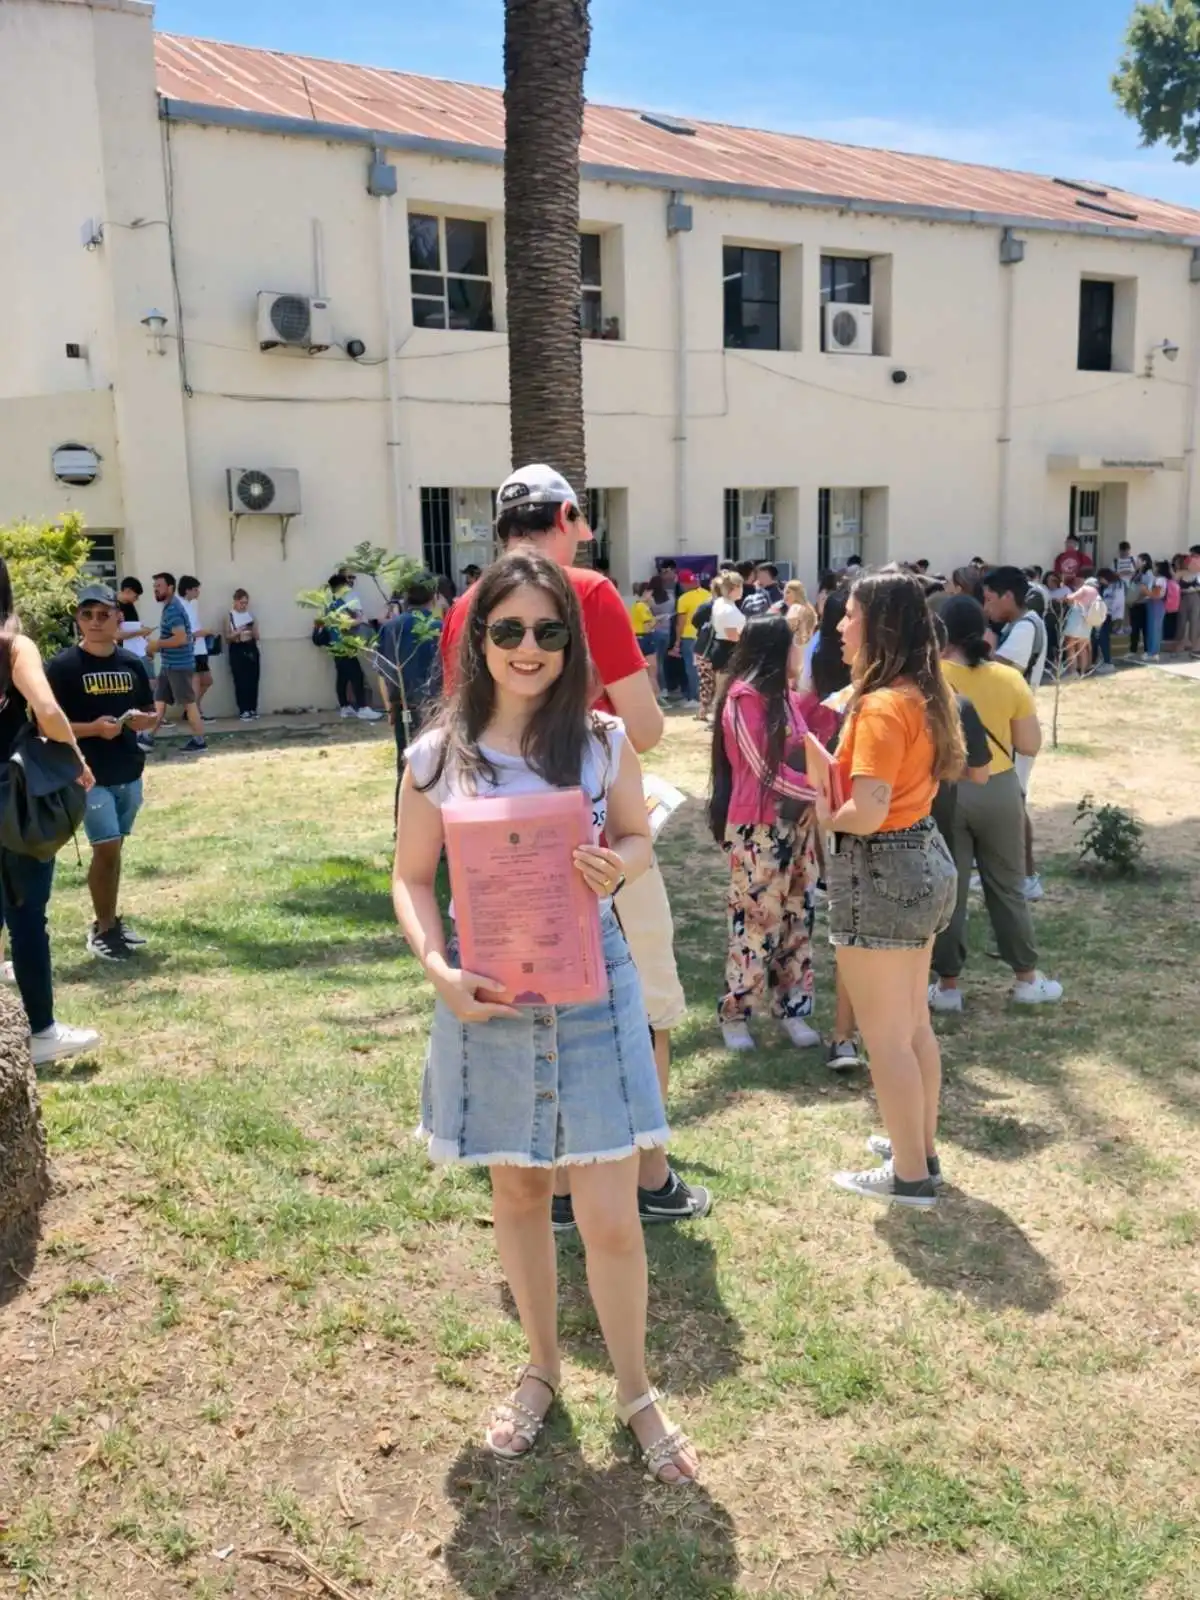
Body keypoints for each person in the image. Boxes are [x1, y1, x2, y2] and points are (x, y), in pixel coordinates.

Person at [395, 550, 698, 1484]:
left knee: (610, 1214)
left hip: (592, 986)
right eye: (509, 629)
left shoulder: (602, 741)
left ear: (571, 642)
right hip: (487, 997)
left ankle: (636, 1392)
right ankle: (541, 1370)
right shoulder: (437, 756)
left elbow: (638, 836)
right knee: (520, 1195)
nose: (528, 647)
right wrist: (440, 969)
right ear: (478, 639)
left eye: (549, 630)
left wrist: (621, 865)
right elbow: (411, 878)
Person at [440, 465, 707, 1229]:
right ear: (566, 518)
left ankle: (552, 1183)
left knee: (531, 1008)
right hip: (592, 844)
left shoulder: (467, 606)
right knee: (642, 1004)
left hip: (498, 851)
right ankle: (648, 1177)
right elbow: (644, 728)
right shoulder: (587, 592)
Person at [816, 571, 961, 1208]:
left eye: (850, 614)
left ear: (880, 626)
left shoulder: (879, 705)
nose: (840, 625)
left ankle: (908, 1176)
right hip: (921, 858)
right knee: (913, 1027)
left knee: (885, 1036)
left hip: (881, 869)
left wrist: (824, 813)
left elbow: (868, 810)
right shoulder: (921, 693)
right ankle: (917, 1151)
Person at [930, 597, 1063, 1011]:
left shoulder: (929, 678)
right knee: (1007, 886)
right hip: (1000, 786)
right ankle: (1026, 978)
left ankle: (947, 985)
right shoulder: (1008, 678)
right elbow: (1030, 743)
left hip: (945, 787)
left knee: (948, 889)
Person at [0, 558, 100, 1065]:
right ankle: (42, 1031)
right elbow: (47, 709)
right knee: (26, 916)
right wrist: (77, 759)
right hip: (12, 798)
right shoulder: (13, 645)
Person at [710, 617, 821, 1051]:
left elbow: (806, 751)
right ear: (777, 649)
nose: (801, 651)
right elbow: (763, 770)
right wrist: (819, 794)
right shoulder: (743, 700)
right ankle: (736, 1013)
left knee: (797, 917)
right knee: (755, 921)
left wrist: (811, 800)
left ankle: (793, 1009)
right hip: (757, 828)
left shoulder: (786, 698)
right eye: (795, 643)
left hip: (796, 825)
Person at [46, 584, 158, 962]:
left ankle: (108, 922)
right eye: (86, 615)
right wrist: (93, 729)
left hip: (128, 769)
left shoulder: (132, 664)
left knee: (114, 850)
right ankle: (104, 930)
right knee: (106, 848)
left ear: (118, 618)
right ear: (78, 620)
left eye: (103, 614)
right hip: (85, 773)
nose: (94, 622)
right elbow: (46, 726)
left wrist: (144, 720)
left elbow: (148, 712)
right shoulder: (62, 667)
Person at [982, 566, 1049, 901]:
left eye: (989, 599)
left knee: (1015, 804)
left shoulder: (1024, 629)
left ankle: (1027, 877)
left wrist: (985, 644)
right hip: (1011, 725)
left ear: (1008, 596)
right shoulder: (1020, 624)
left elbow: (998, 675)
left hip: (1015, 727)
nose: (987, 607)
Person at [377, 579, 442, 818]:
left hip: (403, 706)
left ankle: (402, 823)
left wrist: (389, 709)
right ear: (434, 598)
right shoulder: (438, 627)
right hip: (435, 709)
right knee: (436, 768)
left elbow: (383, 674)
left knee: (405, 767)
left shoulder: (390, 628)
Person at [147, 572, 207, 753]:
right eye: (155, 586)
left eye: (159, 586)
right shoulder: (169, 607)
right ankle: (147, 738)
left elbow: (180, 639)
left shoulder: (173, 609)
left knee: (189, 703)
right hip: (169, 665)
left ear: (170, 587)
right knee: (159, 701)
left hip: (179, 665)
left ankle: (199, 741)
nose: (155, 589)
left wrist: (157, 644)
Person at [323, 571, 383, 721]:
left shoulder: (329, 603)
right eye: (345, 584)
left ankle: (345, 707)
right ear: (340, 587)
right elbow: (346, 623)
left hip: (336, 644)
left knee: (342, 677)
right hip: (345, 645)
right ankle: (363, 708)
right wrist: (359, 621)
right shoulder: (338, 603)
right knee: (357, 675)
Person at [674, 570, 710, 707]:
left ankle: (695, 698)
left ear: (684, 584)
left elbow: (681, 623)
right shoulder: (708, 594)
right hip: (706, 636)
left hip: (689, 637)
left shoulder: (683, 598)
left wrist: (677, 641)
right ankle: (705, 696)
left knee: (691, 668)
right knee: (704, 667)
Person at [223, 589, 261, 720]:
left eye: (246, 603)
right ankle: (243, 709)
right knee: (241, 680)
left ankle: (252, 708)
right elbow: (227, 637)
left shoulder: (250, 615)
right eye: (241, 603)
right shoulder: (230, 616)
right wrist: (238, 632)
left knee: (253, 679)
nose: (244, 606)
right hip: (237, 647)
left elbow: (257, 635)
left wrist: (252, 631)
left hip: (251, 647)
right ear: (235, 601)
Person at [178, 576, 212, 719]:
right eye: (195, 589)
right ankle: (194, 712)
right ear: (187, 590)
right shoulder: (180, 606)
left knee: (207, 680)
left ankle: (191, 709)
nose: (198, 592)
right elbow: (184, 632)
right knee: (195, 680)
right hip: (190, 649)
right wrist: (201, 633)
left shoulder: (192, 604)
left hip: (200, 648)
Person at [629, 583, 661, 699]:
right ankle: (656, 695)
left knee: (646, 670)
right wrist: (657, 620)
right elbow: (648, 627)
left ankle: (652, 695)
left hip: (638, 638)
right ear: (646, 592)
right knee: (652, 669)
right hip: (645, 637)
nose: (652, 597)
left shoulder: (636, 605)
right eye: (651, 593)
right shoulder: (642, 607)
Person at [1094, 569, 1123, 674]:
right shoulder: (1105, 587)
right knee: (1101, 638)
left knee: (1104, 638)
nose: (1100, 581)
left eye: (1101, 578)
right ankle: (1105, 660)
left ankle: (1108, 662)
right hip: (1104, 614)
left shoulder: (1117, 586)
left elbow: (1118, 602)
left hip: (1111, 615)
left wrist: (1117, 618)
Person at [117, 577, 153, 661]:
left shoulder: (130, 605)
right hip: (121, 655)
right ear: (127, 591)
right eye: (136, 596)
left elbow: (134, 626)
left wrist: (143, 632)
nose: (137, 599)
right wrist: (140, 632)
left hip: (135, 653)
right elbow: (116, 635)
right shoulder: (113, 607)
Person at [1178, 545, 1200, 657]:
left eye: (1194, 555)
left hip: (1195, 598)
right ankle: (1184, 644)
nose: (1191, 557)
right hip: (1185, 597)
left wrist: (1193, 589)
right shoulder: (1187, 571)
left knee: (1195, 622)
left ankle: (1195, 647)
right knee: (1182, 621)